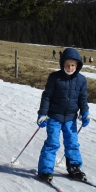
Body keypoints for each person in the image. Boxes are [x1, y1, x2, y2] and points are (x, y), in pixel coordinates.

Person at [37, 48, 90, 182]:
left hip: (71, 119)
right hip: (54, 117)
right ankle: (46, 170)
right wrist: (42, 113)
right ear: (62, 64)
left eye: (73, 65)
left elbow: (82, 99)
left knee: (72, 143)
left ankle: (74, 167)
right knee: (52, 143)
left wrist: (85, 113)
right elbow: (47, 97)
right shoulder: (54, 78)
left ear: (77, 65)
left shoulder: (81, 80)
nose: (70, 67)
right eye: (67, 65)